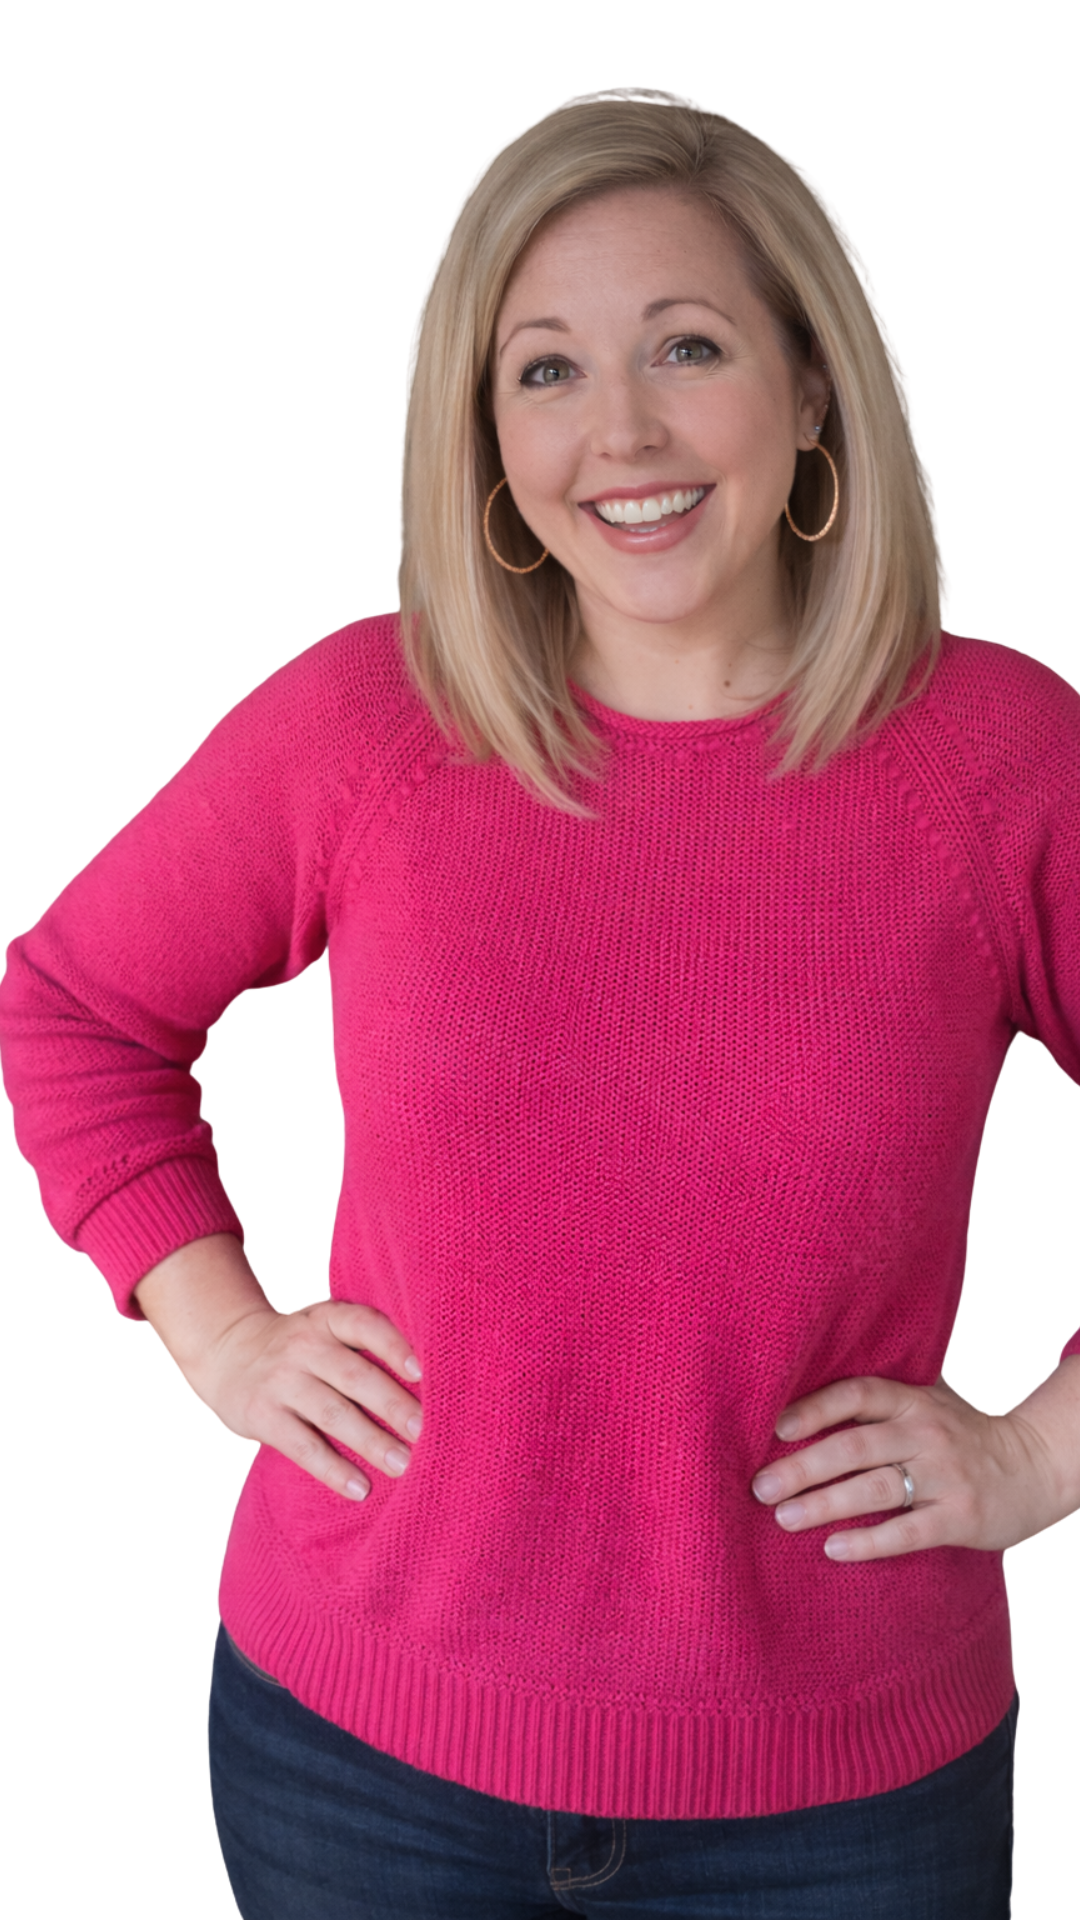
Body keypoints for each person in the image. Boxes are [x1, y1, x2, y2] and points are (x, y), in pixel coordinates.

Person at [2, 89, 1078, 1920]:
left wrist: (1042, 1453)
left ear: (815, 390)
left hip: (844, 1802)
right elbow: (73, 1008)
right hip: (357, 1761)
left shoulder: (995, 764)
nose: (625, 431)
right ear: (484, 436)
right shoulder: (369, 728)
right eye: (546, 371)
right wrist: (218, 1330)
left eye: (689, 346)